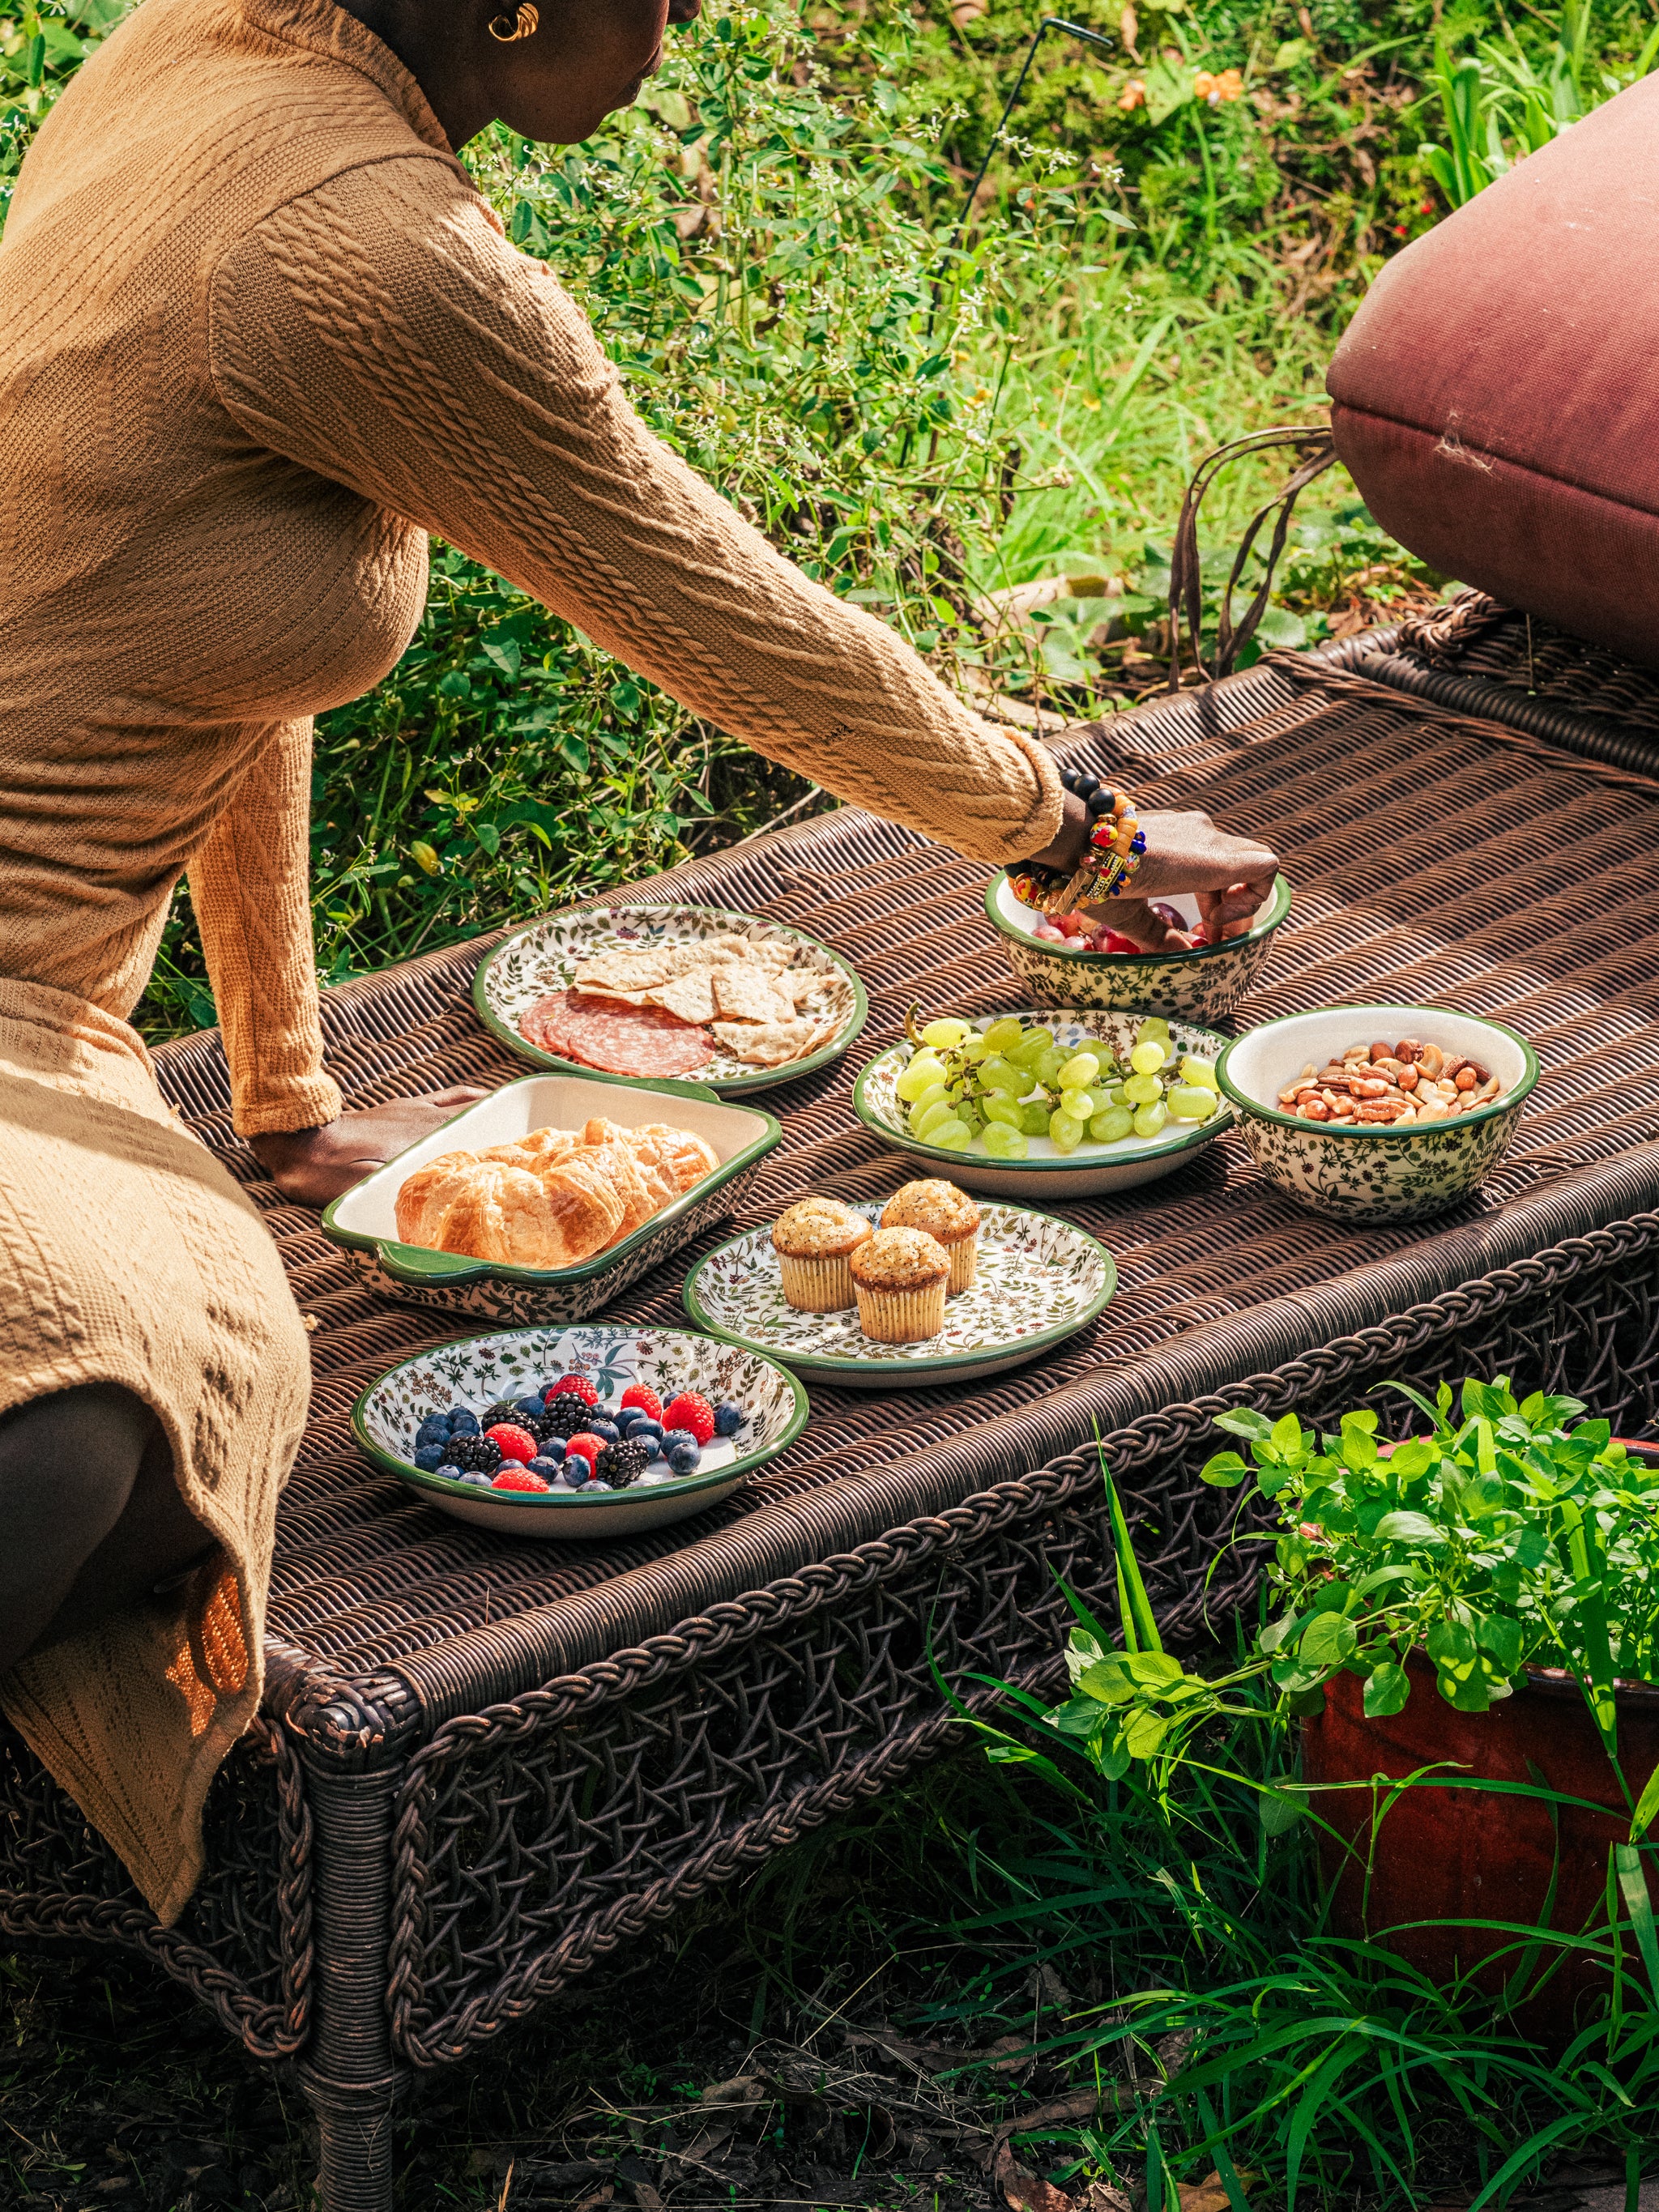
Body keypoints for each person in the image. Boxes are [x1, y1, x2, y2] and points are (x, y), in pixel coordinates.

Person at [0, 0, 1278, 1918]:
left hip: (59, 1025)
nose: (684, 36)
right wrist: (1073, 828)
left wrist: (287, 1097)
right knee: (101, 1403)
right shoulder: (369, 248)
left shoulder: (194, 47)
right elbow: (716, 612)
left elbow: (223, 647)